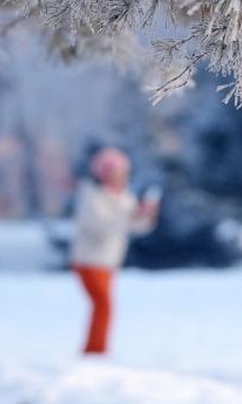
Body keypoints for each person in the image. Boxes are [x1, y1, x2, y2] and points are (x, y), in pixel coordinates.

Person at [70, 147, 159, 355]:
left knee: (104, 306)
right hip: (88, 261)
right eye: (115, 174)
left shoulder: (124, 197)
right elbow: (99, 227)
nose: (120, 178)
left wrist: (147, 215)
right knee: (104, 305)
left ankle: (97, 350)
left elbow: (137, 227)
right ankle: (95, 351)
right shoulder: (92, 196)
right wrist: (129, 219)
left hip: (109, 262)